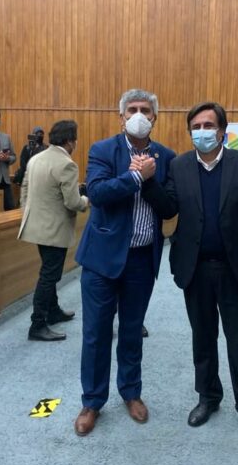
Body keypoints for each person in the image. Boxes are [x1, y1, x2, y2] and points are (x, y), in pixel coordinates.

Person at [146, 101, 238, 444]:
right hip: (196, 269)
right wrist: (148, 183)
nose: (202, 131)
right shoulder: (179, 166)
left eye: (208, 125)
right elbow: (169, 207)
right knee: (202, 339)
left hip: (237, 269)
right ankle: (208, 397)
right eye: (196, 127)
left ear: (222, 131)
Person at [73, 88, 175, 436]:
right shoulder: (103, 150)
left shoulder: (166, 157)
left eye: (145, 109)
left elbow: (169, 207)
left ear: (155, 117)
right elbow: (97, 193)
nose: (139, 115)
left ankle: (131, 393)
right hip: (101, 260)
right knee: (96, 333)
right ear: (121, 117)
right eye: (132, 109)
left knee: (132, 331)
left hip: (141, 260)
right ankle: (92, 401)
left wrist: (149, 179)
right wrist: (134, 177)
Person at [18, 120, 89, 342]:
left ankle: (54, 311)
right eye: (75, 139)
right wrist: (87, 200)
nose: (75, 143)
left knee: (49, 271)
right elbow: (72, 202)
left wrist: (27, 213)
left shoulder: (36, 158)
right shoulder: (67, 164)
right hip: (54, 230)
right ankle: (37, 324)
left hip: (36, 226)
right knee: (49, 276)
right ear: (69, 141)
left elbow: (24, 189)